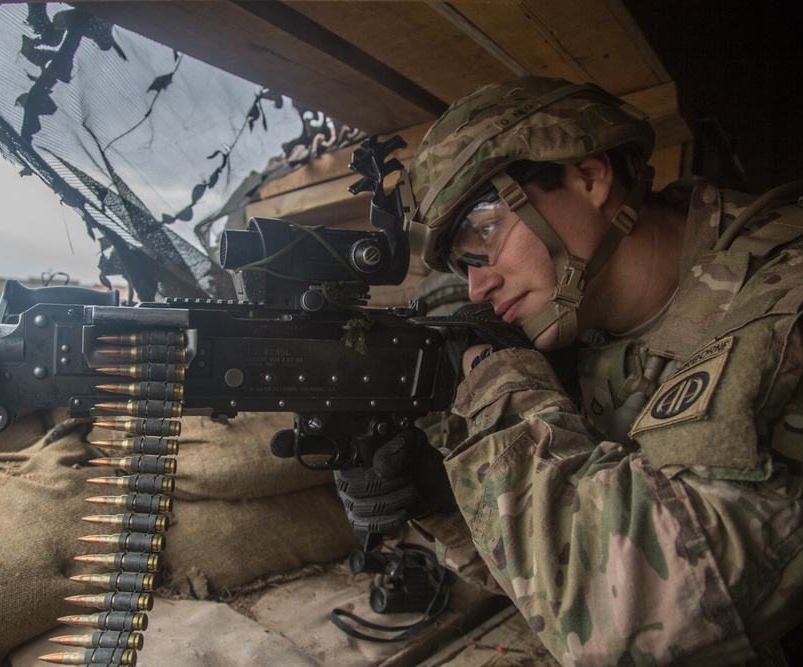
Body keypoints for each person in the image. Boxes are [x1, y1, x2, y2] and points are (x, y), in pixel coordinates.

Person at [337, 75, 803, 665]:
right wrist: (451, 503)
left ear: (589, 176)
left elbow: (649, 615)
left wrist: (502, 388)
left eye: (485, 231)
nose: (477, 285)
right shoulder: (582, 342)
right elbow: (558, 603)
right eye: (463, 264)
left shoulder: (781, 302)